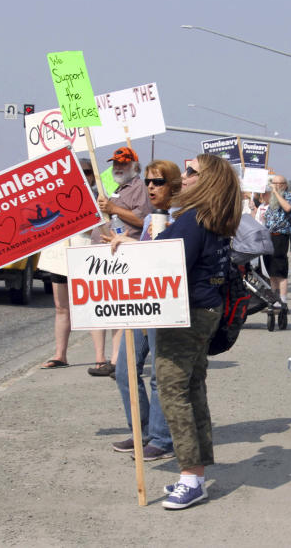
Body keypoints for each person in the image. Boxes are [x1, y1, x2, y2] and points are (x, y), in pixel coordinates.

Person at [150, 153, 241, 509]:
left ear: (206, 181)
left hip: (186, 314)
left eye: (191, 172)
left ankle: (190, 476)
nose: (183, 176)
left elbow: (167, 264)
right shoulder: (211, 218)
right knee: (192, 388)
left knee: (173, 392)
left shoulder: (192, 220)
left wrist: (133, 249)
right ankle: (198, 472)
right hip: (205, 311)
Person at [107, 159, 182, 460]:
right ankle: (142, 430)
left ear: (173, 186)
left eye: (158, 182)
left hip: (165, 304)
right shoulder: (152, 220)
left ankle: (163, 439)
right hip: (142, 303)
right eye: (149, 182)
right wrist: (124, 241)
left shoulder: (182, 218)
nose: (151, 187)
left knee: (158, 375)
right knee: (125, 369)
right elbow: (146, 253)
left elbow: (168, 257)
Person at [88, 146, 152, 377]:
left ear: (135, 166)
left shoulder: (139, 188)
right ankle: (101, 359)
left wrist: (113, 208)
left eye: (124, 163)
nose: (118, 167)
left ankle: (117, 361)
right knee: (98, 307)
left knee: (118, 309)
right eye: (116, 163)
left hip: (122, 255)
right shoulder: (111, 186)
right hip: (101, 252)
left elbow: (142, 219)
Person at [39, 158, 96, 369]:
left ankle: (101, 358)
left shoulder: (99, 197)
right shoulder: (56, 196)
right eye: (79, 171)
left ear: (93, 175)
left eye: (87, 171)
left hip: (86, 257)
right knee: (61, 308)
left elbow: (101, 229)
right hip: (60, 257)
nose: (83, 175)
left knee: (91, 307)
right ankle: (60, 355)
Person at [262, 175, 291, 311]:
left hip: (280, 236)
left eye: (276, 183)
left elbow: (288, 208)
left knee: (280, 270)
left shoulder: (289, 197)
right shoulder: (273, 198)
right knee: (271, 271)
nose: (273, 185)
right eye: (272, 183)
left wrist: (275, 192)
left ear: (283, 184)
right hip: (269, 235)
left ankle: (282, 300)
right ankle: (274, 299)